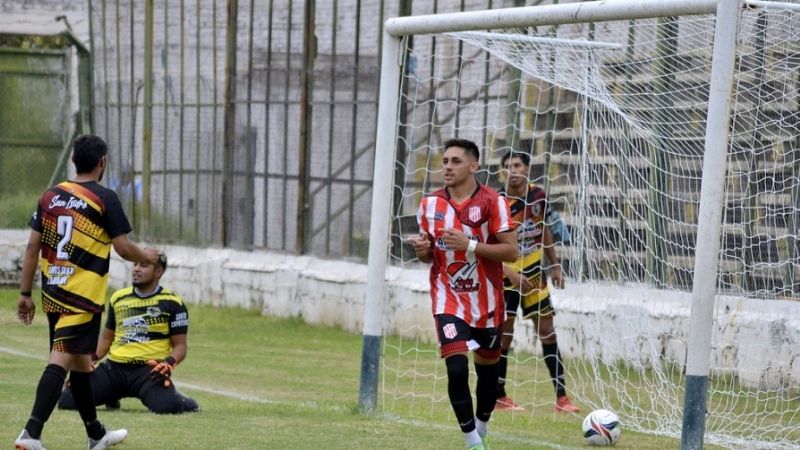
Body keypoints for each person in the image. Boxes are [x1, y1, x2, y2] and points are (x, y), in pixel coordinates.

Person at [15, 134, 159, 450]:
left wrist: (25, 293)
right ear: (102, 163)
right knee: (62, 359)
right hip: (81, 297)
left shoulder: (50, 197)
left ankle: (95, 434)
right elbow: (123, 248)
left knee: (81, 363)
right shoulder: (103, 198)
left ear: (74, 161)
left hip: (53, 293)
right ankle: (31, 433)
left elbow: (31, 247)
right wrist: (146, 256)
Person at [407, 138, 518, 450]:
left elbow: (511, 251)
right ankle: (472, 443)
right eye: (445, 161)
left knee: (488, 377)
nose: (447, 167)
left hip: (488, 301)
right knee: (456, 368)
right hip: (448, 299)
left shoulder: (492, 202)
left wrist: (468, 245)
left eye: (455, 161)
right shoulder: (429, 205)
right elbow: (430, 257)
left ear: (474, 165)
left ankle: (481, 427)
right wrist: (423, 251)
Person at [58, 250, 199, 414]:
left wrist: (168, 363)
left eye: (144, 265)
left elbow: (180, 346)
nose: (136, 269)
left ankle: (186, 401)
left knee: (168, 407)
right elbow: (106, 339)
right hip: (114, 369)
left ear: (158, 272)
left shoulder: (173, 303)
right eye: (135, 264)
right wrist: (89, 361)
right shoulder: (118, 298)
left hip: (148, 372)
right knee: (68, 401)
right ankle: (110, 394)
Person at [494, 151, 579, 414]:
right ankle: (498, 395)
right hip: (506, 274)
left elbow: (545, 231)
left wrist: (554, 265)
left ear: (527, 169)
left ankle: (562, 399)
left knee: (547, 330)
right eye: (507, 166)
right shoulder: (496, 201)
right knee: (504, 335)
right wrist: (510, 273)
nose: (512, 170)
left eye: (517, 165)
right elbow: (488, 245)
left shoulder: (539, 196)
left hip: (534, 272)